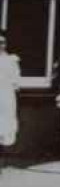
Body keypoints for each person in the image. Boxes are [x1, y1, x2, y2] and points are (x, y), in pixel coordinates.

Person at [0, 30, 20, 174]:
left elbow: (15, 81)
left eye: (2, 42)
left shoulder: (11, 60)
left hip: (5, 96)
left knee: (3, 127)